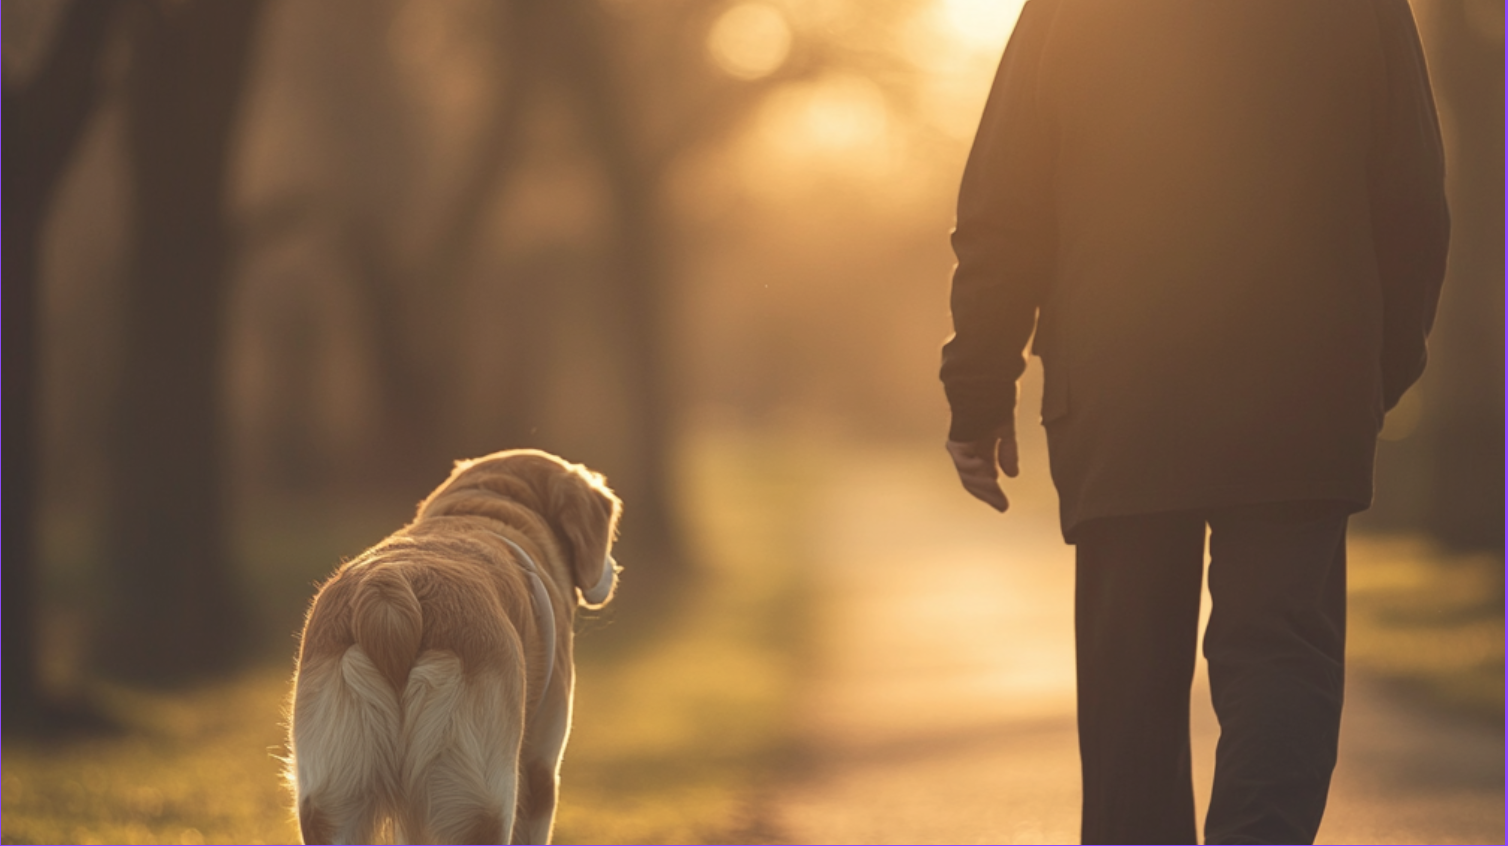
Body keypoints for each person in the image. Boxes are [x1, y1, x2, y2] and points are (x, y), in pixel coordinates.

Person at [939, 1, 1449, 844]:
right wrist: (1372, 373)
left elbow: (1006, 207)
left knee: (1128, 688)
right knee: (1282, 656)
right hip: (1303, 388)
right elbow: (1415, 206)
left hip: (1121, 388)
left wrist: (979, 390)